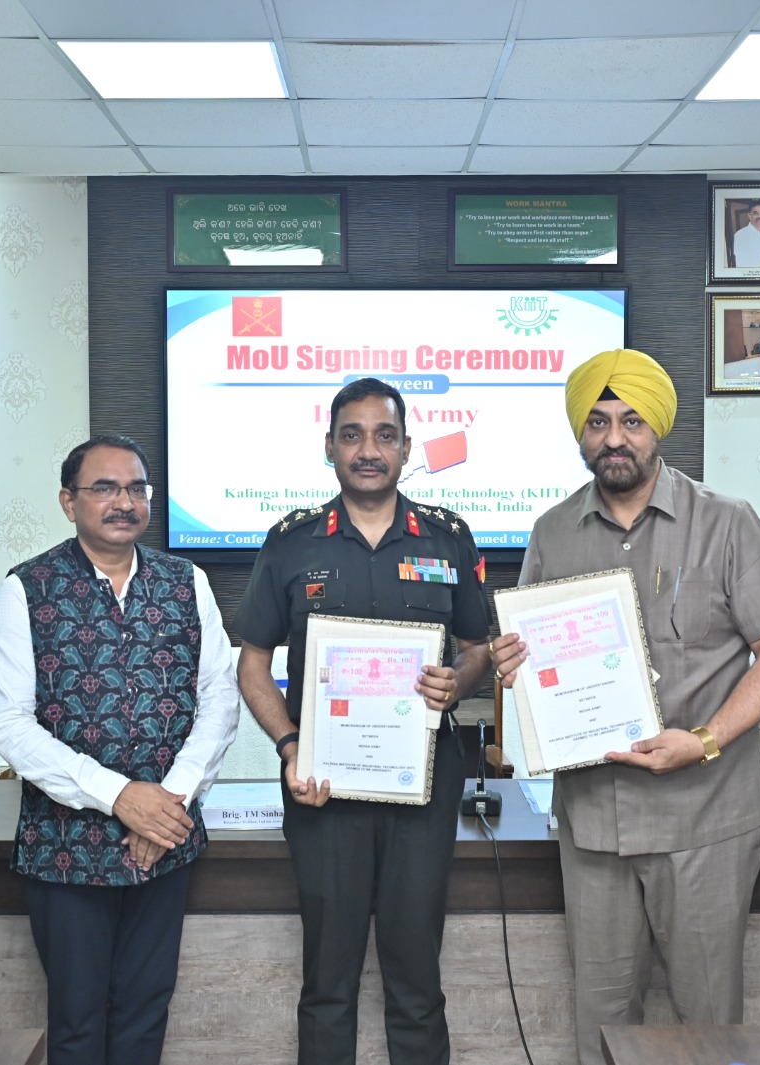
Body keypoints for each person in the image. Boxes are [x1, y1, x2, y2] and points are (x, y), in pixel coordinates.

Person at [490, 350, 760, 1065]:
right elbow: (530, 655)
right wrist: (513, 664)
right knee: (602, 1025)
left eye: (631, 421)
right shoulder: (552, 531)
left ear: (658, 427)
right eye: (597, 422)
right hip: (593, 824)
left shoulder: (726, 522)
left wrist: (705, 739)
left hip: (705, 819)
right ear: (580, 432)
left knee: (708, 1024)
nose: (614, 438)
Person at [235, 377, 492, 1065]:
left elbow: (478, 649)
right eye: (352, 435)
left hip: (422, 790)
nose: (368, 450)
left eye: (384, 436)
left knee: (417, 982)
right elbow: (252, 665)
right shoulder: (291, 542)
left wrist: (458, 680)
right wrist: (290, 745)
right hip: (321, 791)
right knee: (328, 983)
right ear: (329, 447)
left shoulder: (447, 538)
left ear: (406, 447)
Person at [0, 435, 238, 1065]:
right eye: (104, 488)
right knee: (76, 1024)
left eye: (136, 489)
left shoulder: (186, 581)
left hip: (166, 842)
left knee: (145, 1014)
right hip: (66, 849)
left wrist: (168, 803)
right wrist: (122, 797)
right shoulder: (28, 588)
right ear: (68, 501)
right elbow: (11, 725)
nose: (124, 502)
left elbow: (219, 698)